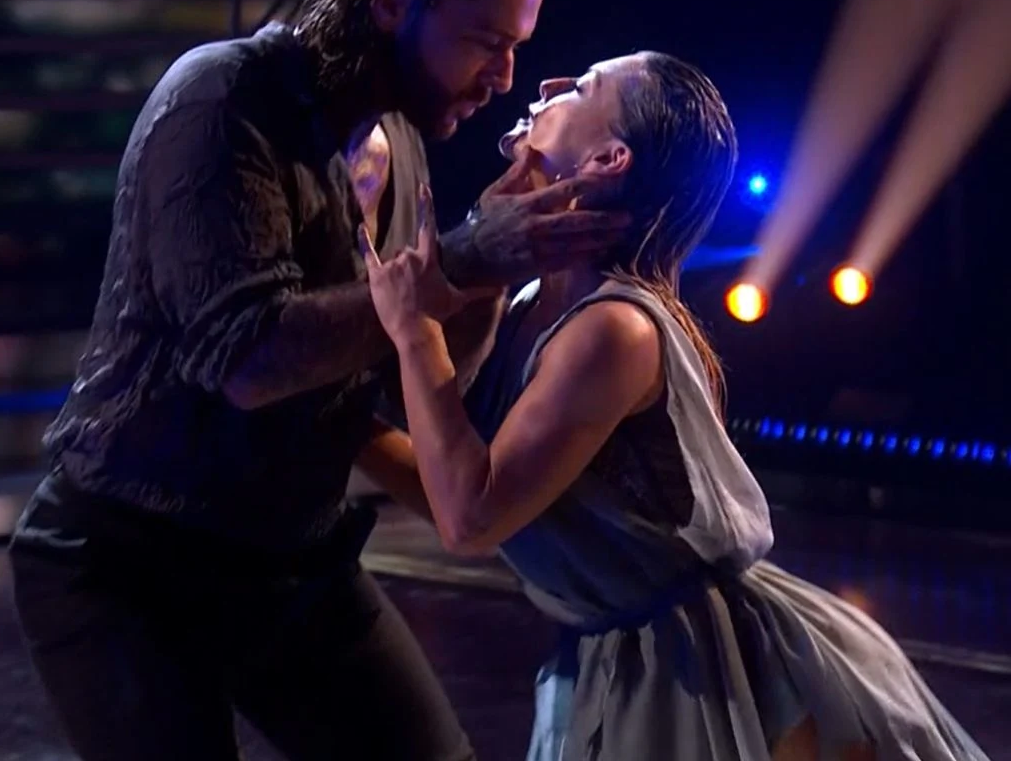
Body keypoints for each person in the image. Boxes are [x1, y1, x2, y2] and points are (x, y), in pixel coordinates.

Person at [7, 0, 632, 761]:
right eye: (485, 41)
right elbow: (247, 357)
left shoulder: (400, 137)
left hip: (291, 560)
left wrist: (493, 271)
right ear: (393, 0)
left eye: (514, 48)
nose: (503, 78)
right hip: (126, 563)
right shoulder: (223, 100)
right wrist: (463, 259)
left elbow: (413, 373)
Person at [359, 51, 992, 761]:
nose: (549, 84)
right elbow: (463, 490)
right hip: (622, 657)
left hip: (700, 675)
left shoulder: (613, 330)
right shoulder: (533, 302)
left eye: (585, 85)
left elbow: (471, 517)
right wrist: (343, 425)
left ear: (608, 159)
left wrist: (415, 332)